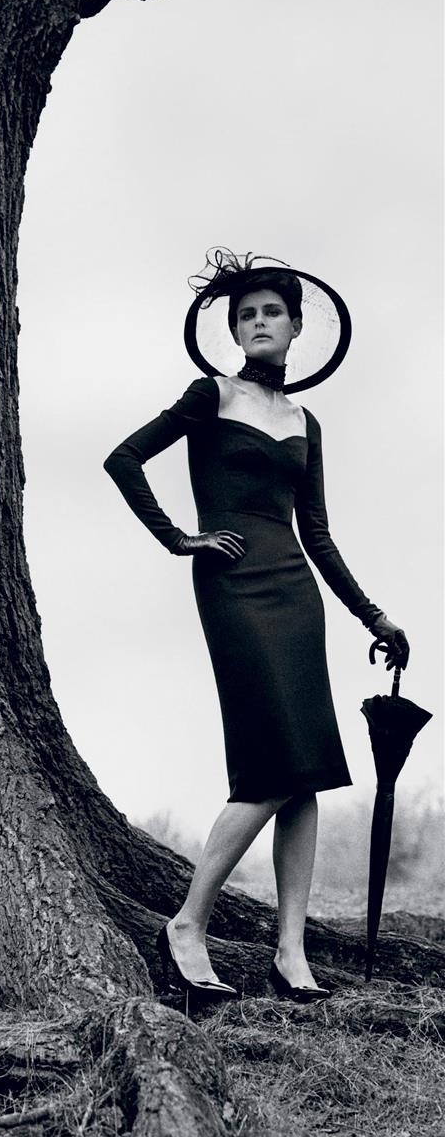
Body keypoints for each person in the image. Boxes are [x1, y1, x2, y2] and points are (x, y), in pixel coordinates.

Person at [104, 252, 409, 1007]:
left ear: (297, 326)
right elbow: (124, 459)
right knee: (271, 770)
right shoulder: (210, 395)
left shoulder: (306, 422)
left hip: (297, 594)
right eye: (246, 315)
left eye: (272, 311)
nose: (259, 322)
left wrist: (373, 614)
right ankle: (186, 925)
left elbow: (318, 534)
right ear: (234, 331)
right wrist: (180, 539)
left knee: (304, 774)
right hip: (232, 586)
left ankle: (290, 954)